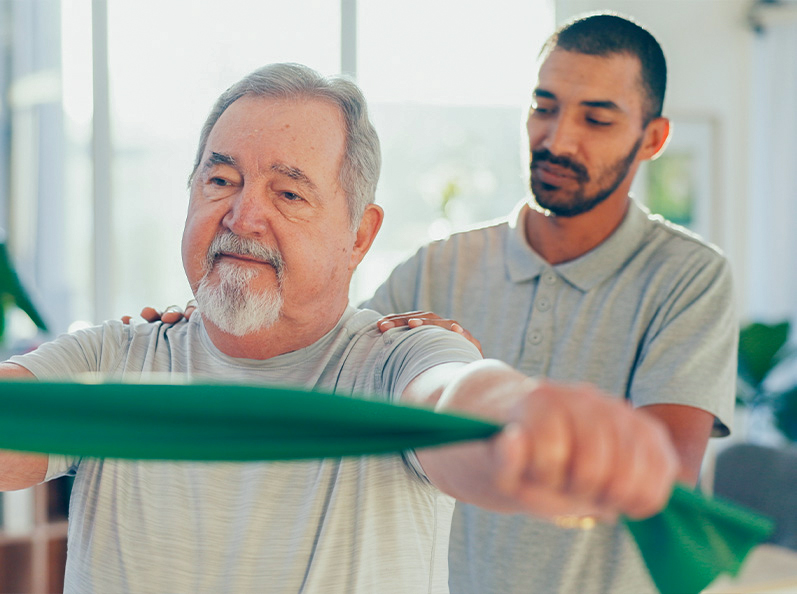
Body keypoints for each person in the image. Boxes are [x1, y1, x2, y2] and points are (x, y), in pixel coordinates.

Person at [0, 63, 678, 593]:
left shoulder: (398, 359)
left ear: (359, 234)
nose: (241, 216)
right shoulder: (112, 356)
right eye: (219, 181)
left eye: (288, 193)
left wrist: (525, 419)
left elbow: (457, 400)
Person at [365, 13, 737, 594]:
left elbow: (662, 478)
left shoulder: (690, 277)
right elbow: (328, 372)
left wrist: (495, 411)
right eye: (544, 107)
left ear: (653, 139)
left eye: (595, 118)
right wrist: (193, 332)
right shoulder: (439, 266)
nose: (558, 139)